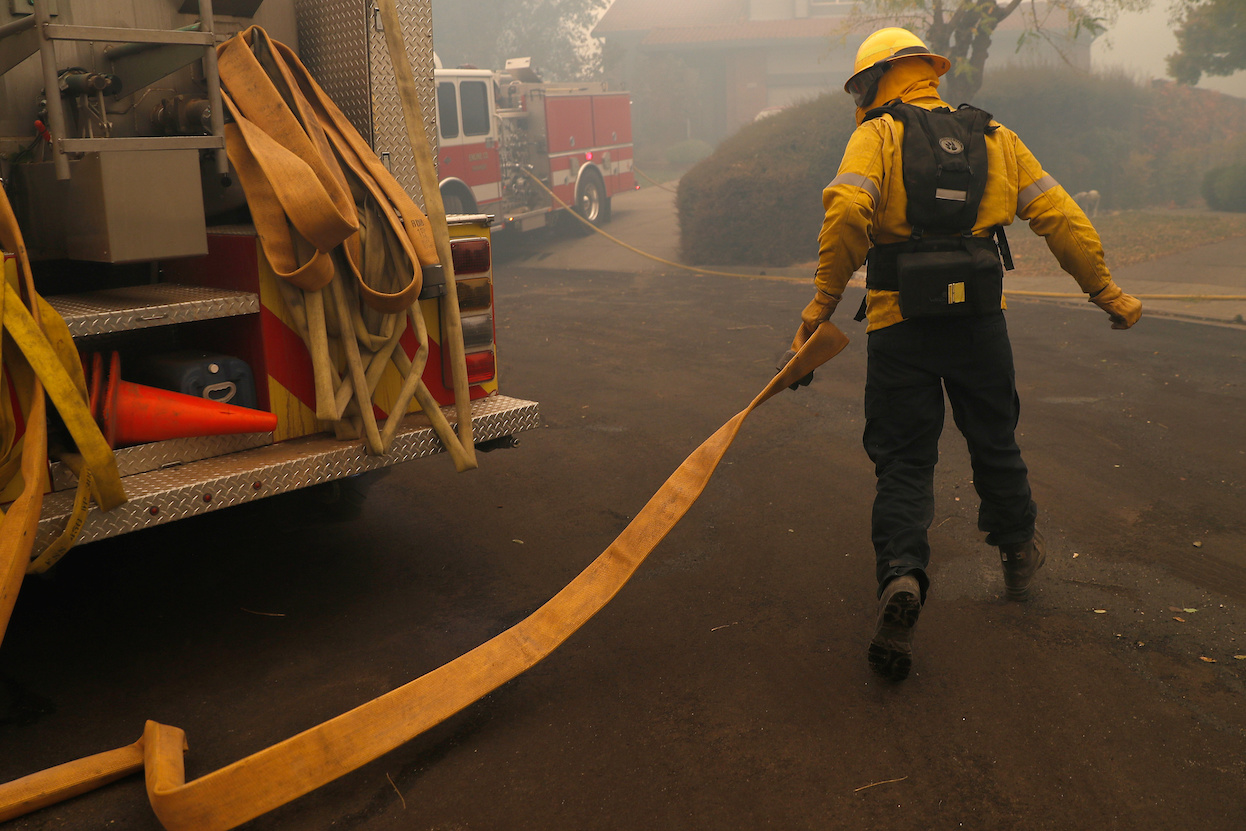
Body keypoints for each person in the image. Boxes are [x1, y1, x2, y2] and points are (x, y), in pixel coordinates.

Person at [781, 28, 1142, 682]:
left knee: (904, 460)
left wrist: (818, 311)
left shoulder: (877, 135)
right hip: (980, 321)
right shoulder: (993, 136)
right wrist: (1106, 291)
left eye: (860, 86)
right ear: (929, 72)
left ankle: (903, 576)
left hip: (898, 323)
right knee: (995, 439)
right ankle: (1016, 553)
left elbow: (844, 213)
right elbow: (1059, 214)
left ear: (874, 81)